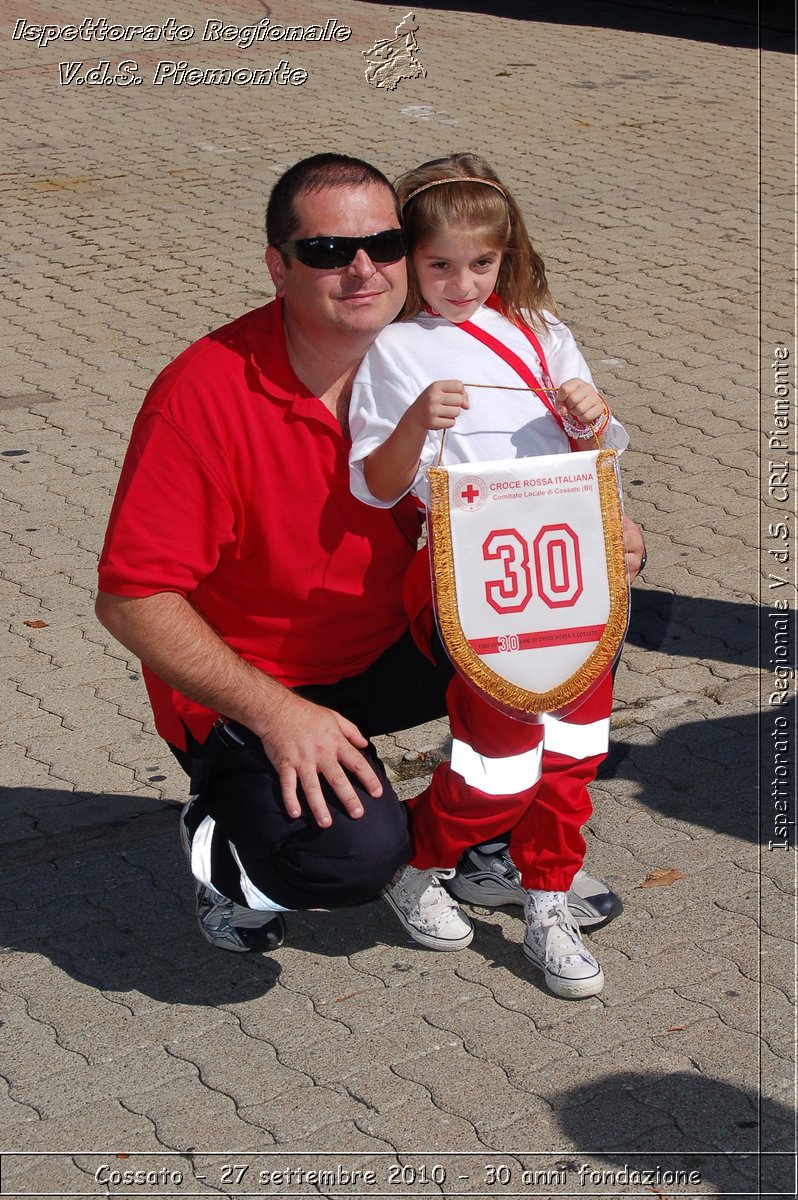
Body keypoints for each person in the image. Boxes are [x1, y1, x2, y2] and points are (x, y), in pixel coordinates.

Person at [95, 153, 645, 961]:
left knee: (561, 631)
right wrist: (279, 714)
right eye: (326, 252)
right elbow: (131, 598)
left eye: (384, 245)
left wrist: (613, 531)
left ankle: (495, 841)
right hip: (258, 678)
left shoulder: (427, 351)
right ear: (277, 267)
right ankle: (226, 846)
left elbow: (530, 479)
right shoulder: (202, 395)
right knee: (346, 857)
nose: (362, 270)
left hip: (388, 640)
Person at [349, 153, 630, 998]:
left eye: (481, 263)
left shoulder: (543, 330)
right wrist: (413, 421)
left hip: (574, 567)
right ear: (409, 259)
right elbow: (375, 482)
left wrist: (596, 417)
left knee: (577, 750)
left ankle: (545, 895)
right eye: (439, 264)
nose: (462, 282)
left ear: (507, 256)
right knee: (499, 759)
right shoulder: (396, 346)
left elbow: (602, 456)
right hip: (477, 577)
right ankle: (420, 860)